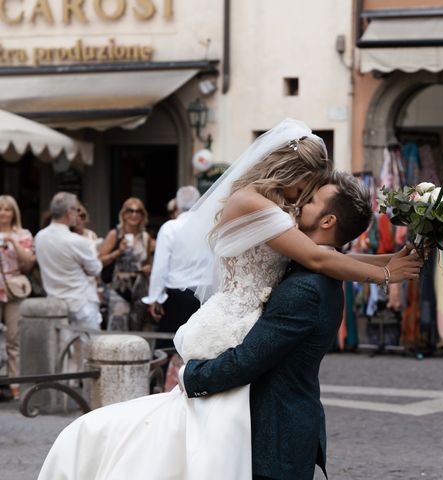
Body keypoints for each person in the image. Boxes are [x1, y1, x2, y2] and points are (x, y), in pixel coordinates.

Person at [38, 118, 421, 480]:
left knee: (205, 430)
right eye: (306, 184)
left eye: (312, 194)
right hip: (236, 317)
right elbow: (320, 255)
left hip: (257, 345)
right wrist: (386, 273)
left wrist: (393, 261)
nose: (303, 197)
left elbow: (327, 254)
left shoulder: (301, 265)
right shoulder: (253, 204)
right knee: (197, 429)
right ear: (288, 170)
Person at [181, 171, 372, 479]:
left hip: (277, 437)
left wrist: (189, 377)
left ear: (327, 221)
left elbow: (248, 360)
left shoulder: (305, 287)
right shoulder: (317, 271)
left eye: (310, 201)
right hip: (285, 428)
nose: (298, 204)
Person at [143, 186, 202, 348]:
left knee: (167, 346)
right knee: (196, 346)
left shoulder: (170, 227)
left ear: (176, 205)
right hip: (204, 296)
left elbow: (160, 266)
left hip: (177, 296)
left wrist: (154, 298)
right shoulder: (207, 227)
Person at [34, 192, 103, 330]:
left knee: (62, 348)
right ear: (68, 212)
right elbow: (95, 269)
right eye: (76, 210)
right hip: (81, 303)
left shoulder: (40, 236)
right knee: (89, 347)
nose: (78, 215)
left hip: (55, 302)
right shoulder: (76, 241)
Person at [98, 198, 155, 331]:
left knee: (137, 329)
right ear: (123, 214)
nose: (134, 214)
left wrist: (148, 269)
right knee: (117, 327)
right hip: (120, 287)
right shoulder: (115, 234)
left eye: (138, 211)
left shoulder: (145, 237)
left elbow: (147, 262)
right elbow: (100, 260)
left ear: (143, 215)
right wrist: (118, 251)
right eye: (130, 211)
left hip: (140, 288)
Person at [0, 195, 36, 400]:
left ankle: (15, 384)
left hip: (14, 288)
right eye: (0, 209)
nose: (3, 213)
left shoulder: (23, 234)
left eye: (7, 209)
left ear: (14, 212)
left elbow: (29, 262)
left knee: (14, 338)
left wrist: (12, 240)